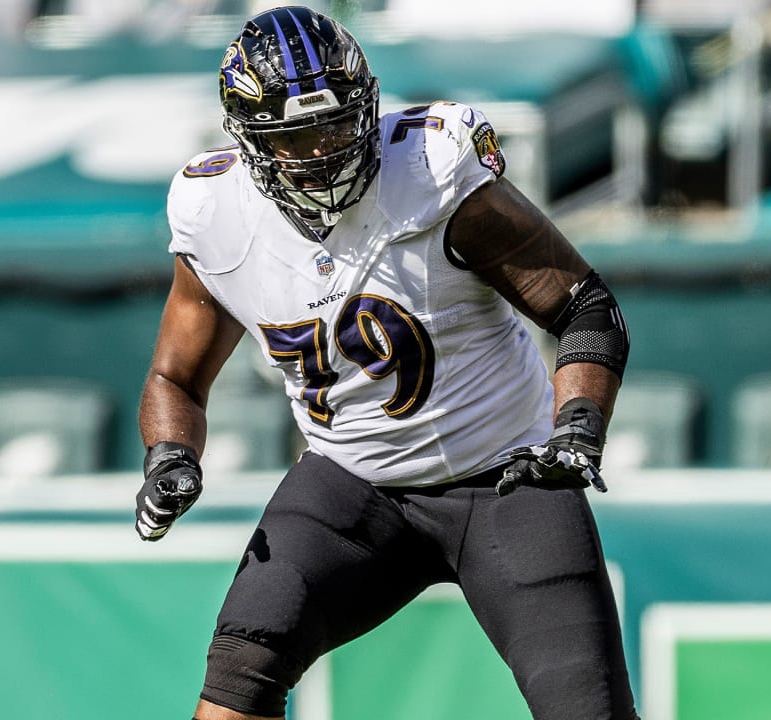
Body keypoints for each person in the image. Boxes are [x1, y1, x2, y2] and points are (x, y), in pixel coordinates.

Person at [133, 7, 638, 720]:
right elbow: (174, 377)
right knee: (234, 688)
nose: (320, 155)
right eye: (296, 136)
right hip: (351, 487)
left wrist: (577, 430)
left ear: (368, 107)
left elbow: (586, 308)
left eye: (335, 126)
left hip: (507, 476)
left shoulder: (433, 176)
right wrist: (170, 455)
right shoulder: (215, 211)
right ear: (249, 141)